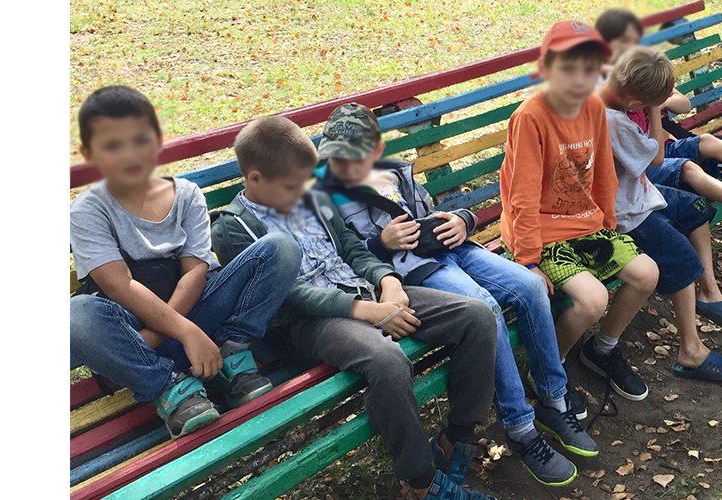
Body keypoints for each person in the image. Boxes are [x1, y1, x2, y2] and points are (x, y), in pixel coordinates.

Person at [210, 115, 499, 500]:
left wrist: (388, 281)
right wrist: (362, 310)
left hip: (366, 290)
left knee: (476, 317)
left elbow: (351, 249)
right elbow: (286, 294)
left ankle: (457, 437)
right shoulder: (234, 227)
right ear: (256, 179)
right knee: (387, 360)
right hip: (313, 322)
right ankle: (422, 482)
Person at [314, 103, 596, 487]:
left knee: (531, 287)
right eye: (337, 158)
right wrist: (381, 243)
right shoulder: (327, 196)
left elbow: (434, 212)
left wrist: (463, 221)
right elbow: (343, 257)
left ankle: (553, 398)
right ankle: (520, 427)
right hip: (414, 271)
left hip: (454, 249)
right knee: (486, 308)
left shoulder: (393, 172)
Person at [69, 86, 301, 440]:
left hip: (196, 320)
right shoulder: (88, 210)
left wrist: (186, 331)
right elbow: (119, 285)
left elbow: (195, 269)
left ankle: (232, 354)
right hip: (137, 339)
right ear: (90, 153)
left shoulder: (187, 194)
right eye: (112, 145)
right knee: (77, 314)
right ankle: (169, 388)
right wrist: (183, 332)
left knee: (281, 247)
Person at [499, 21, 660, 407]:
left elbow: (603, 171)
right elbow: (522, 195)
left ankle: (601, 350)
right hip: (540, 233)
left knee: (647, 274)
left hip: (586, 225)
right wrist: (527, 261)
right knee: (592, 300)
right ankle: (548, 370)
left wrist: (608, 224)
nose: (579, 78)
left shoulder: (592, 107)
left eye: (589, 68)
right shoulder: (531, 116)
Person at [594, 45, 722, 378]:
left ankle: (708, 295)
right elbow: (655, 159)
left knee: (694, 208)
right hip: (625, 213)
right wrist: (655, 109)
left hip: (640, 196)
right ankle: (690, 350)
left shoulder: (610, 97)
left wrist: (653, 100)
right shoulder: (613, 121)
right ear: (636, 101)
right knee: (682, 259)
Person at [595, 8, 722, 204]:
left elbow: (684, 105)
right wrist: (655, 108)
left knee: (709, 141)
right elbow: (652, 157)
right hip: (646, 158)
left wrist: (658, 103)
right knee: (689, 168)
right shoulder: (621, 97)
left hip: (663, 144)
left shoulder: (643, 76)